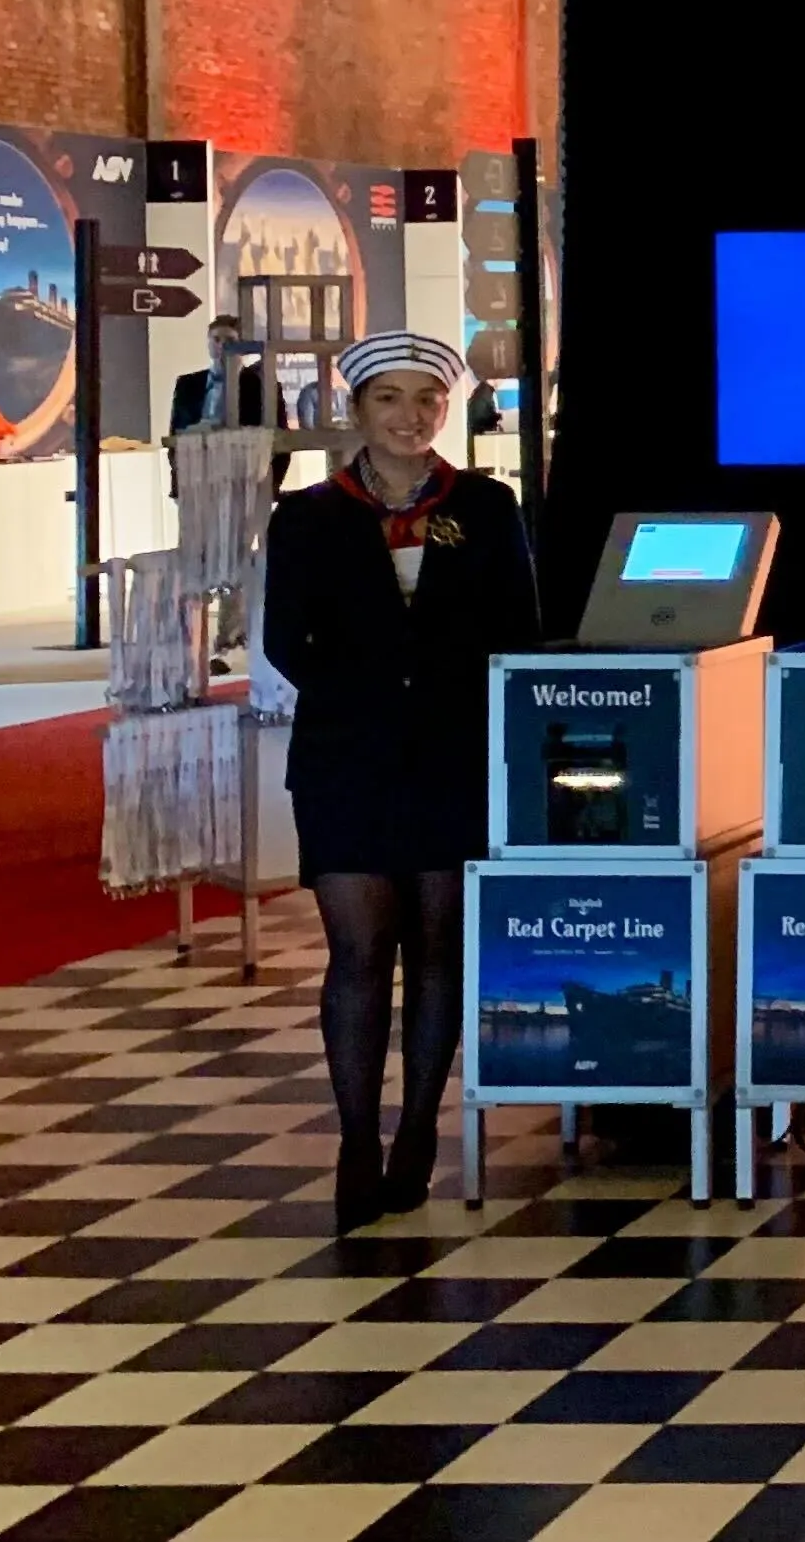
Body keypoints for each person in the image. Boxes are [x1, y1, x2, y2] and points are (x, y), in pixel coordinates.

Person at [259, 332, 539, 1227]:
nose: (410, 417)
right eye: (391, 399)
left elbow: (517, 629)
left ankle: (418, 1128)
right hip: (347, 761)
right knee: (357, 952)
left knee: (438, 951)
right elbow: (283, 640)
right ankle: (354, 1137)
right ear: (356, 411)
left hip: (453, 759)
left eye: (428, 400)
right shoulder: (308, 514)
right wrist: (373, 694)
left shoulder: (488, 507)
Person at [169, 316, 277, 434]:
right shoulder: (186, 384)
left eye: (230, 340)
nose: (222, 346)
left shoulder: (262, 385)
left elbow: (279, 437)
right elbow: (175, 433)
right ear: (208, 343)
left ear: (242, 345)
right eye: (216, 339)